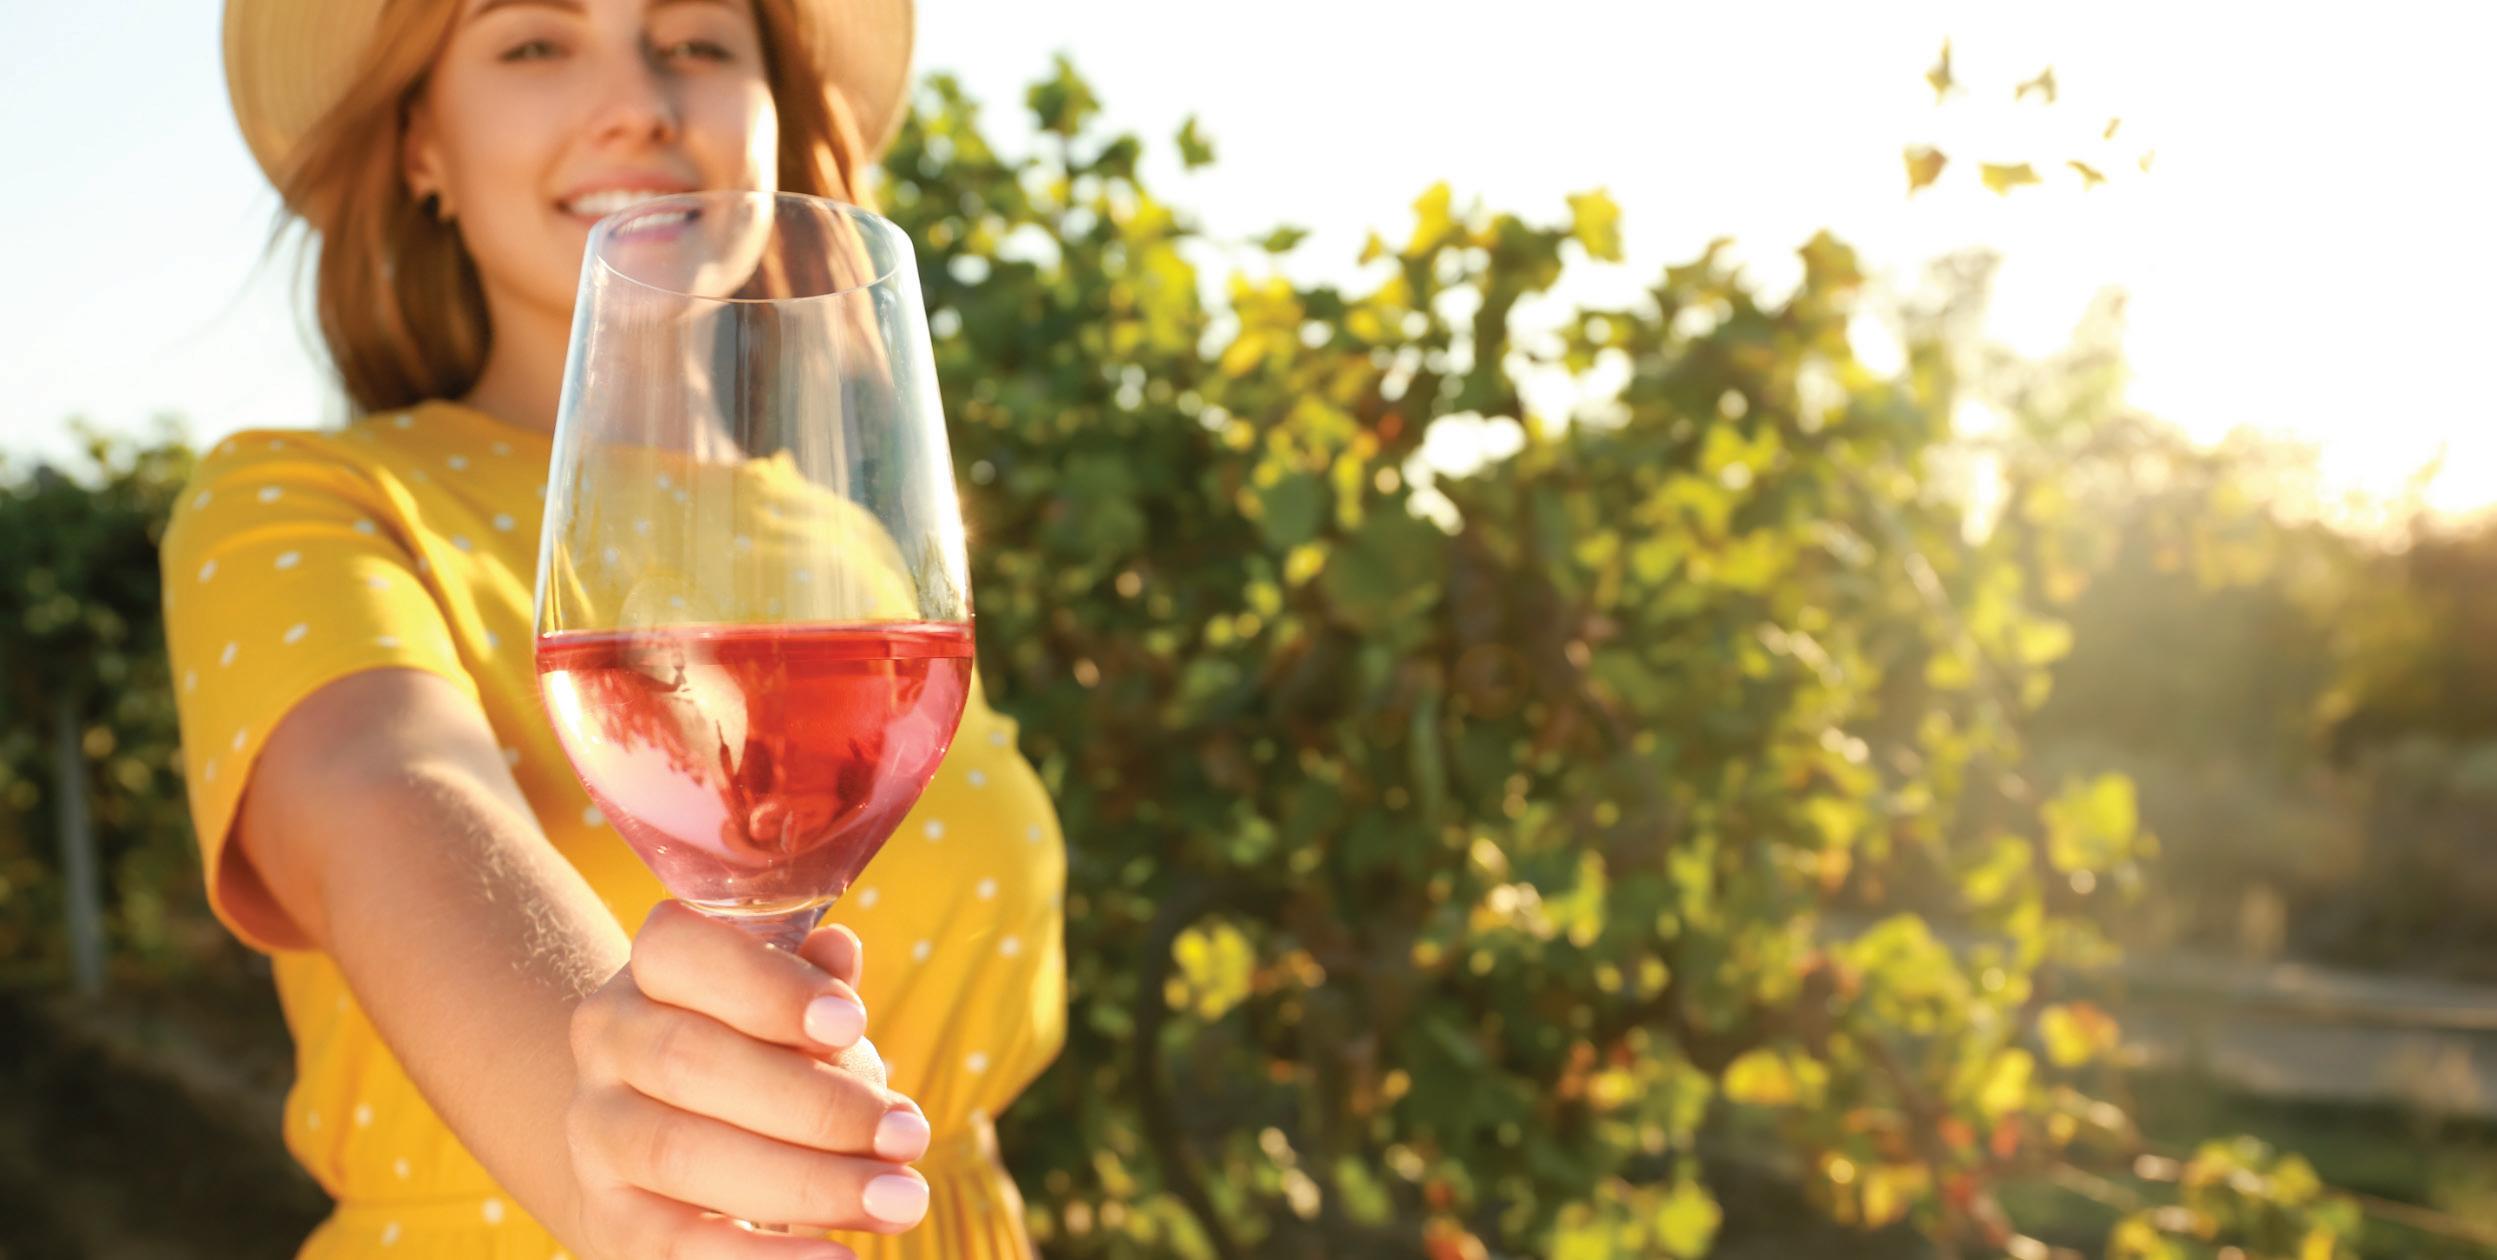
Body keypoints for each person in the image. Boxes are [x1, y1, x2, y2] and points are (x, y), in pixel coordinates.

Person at [160, 0, 1066, 1255]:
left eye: (697, 42)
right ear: (421, 145)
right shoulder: (306, 501)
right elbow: (382, 782)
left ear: (775, 115)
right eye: (535, 42)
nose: (639, 103)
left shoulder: (866, 551)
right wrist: (626, 1157)